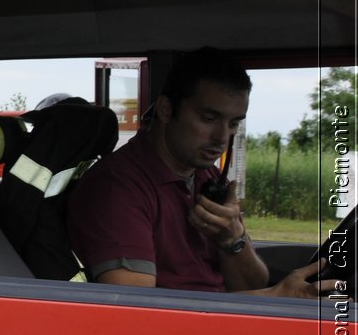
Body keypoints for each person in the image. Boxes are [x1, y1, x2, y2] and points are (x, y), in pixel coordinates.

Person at [68, 47, 330, 297]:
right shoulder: (118, 188)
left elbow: (251, 285)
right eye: (209, 118)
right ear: (166, 110)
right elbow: (136, 311)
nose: (222, 137)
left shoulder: (209, 179)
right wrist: (275, 297)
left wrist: (233, 240)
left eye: (234, 123)